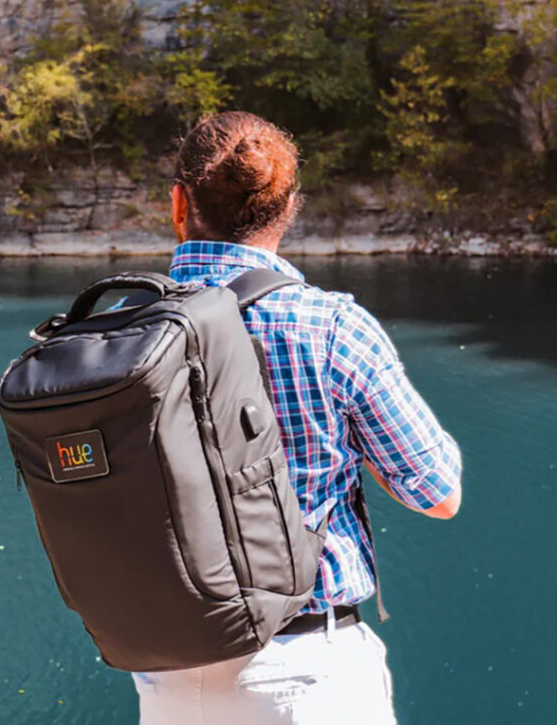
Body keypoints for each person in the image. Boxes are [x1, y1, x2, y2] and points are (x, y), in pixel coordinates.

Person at [132, 110, 462, 725]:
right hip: (306, 675)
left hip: (167, 675)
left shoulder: (124, 331)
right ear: (289, 210)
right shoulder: (330, 327)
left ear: (178, 205)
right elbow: (438, 493)